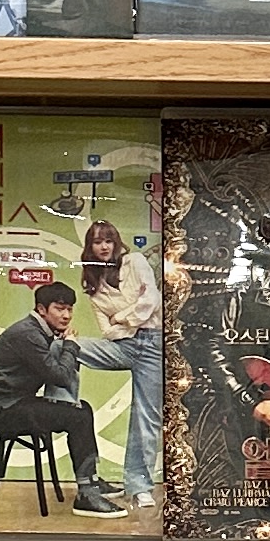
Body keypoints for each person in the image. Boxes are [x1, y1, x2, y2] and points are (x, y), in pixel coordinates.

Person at [0, 279, 130, 514]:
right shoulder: (28, 334)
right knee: (78, 417)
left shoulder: (37, 331)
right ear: (41, 309)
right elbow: (60, 377)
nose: (66, 315)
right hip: (6, 411)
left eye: (69, 309)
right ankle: (87, 494)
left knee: (82, 409)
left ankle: (90, 480)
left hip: (16, 404)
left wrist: (62, 343)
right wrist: (70, 345)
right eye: (59, 308)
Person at [68, 210, 162, 499]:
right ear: (90, 248)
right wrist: (129, 322)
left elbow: (152, 301)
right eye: (97, 242)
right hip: (121, 346)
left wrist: (121, 317)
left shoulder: (136, 262)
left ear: (116, 242)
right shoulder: (94, 288)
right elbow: (107, 332)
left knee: (146, 417)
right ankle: (63, 403)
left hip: (152, 345)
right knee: (67, 346)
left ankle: (139, 486)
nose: (104, 246)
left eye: (108, 240)